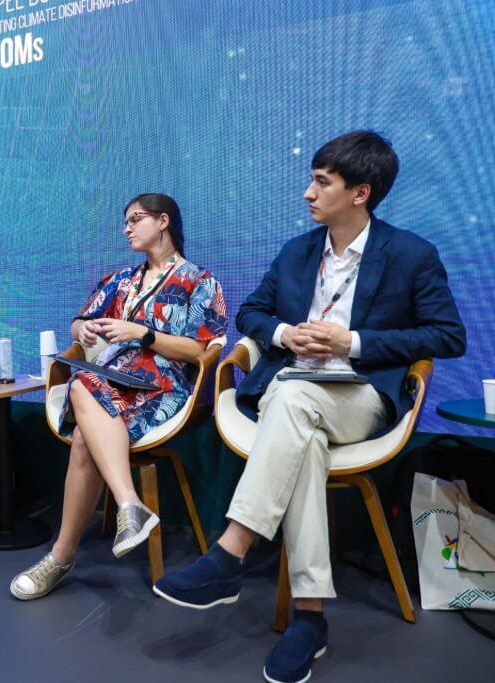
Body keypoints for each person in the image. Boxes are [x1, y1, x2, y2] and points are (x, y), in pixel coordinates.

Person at [153, 131, 467, 683]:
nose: (307, 193)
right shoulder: (297, 251)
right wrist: (281, 334)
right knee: (302, 429)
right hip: (293, 395)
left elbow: (447, 335)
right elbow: (251, 313)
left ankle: (231, 552)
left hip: (361, 396)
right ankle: (309, 617)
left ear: (360, 192)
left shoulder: (412, 254)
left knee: (293, 401)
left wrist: (355, 343)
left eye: (321, 182)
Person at [9, 193, 227, 600]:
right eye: (124, 221)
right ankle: (129, 505)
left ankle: (60, 557)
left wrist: (141, 334)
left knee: (81, 431)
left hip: (164, 385)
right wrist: (82, 332)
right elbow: (79, 321)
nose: (126, 228)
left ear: (163, 221)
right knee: (84, 387)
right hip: (111, 378)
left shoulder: (201, 282)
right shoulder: (119, 280)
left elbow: (201, 351)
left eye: (134, 219)